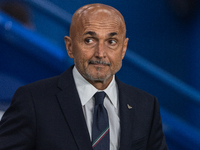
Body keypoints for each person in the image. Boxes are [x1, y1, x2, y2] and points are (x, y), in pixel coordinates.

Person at [0, 3, 168, 150]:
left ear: (123, 49)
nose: (101, 53)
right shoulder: (32, 100)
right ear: (70, 46)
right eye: (89, 40)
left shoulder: (147, 106)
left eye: (111, 42)